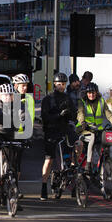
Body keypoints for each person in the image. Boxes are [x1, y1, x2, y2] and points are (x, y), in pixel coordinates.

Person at [40, 72, 79, 201]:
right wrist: (58, 115)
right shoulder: (48, 99)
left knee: (75, 152)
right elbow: (45, 117)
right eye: (59, 84)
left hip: (64, 129)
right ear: (54, 84)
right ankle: (44, 187)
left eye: (63, 84)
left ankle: (74, 185)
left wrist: (71, 116)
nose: (61, 86)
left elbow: (75, 115)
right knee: (49, 159)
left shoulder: (68, 98)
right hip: (51, 131)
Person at [76, 82, 112, 174]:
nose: (91, 95)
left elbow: (108, 114)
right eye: (89, 93)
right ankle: (88, 164)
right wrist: (83, 122)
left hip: (97, 130)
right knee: (92, 137)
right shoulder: (82, 102)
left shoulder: (101, 101)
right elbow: (80, 113)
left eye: (93, 93)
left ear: (96, 92)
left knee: (104, 150)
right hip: (84, 129)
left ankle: (110, 175)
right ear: (86, 93)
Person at [12, 74, 35, 199]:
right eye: (22, 86)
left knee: (17, 164)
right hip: (9, 133)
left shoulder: (29, 100)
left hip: (21, 135)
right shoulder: (10, 98)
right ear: (16, 86)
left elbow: (30, 118)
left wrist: (29, 135)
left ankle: (15, 187)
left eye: (26, 86)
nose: (24, 88)